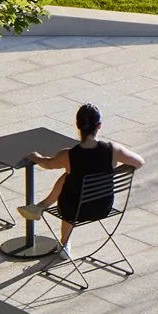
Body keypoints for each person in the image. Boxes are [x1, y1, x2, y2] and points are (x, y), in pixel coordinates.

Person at [30, 103, 142, 253]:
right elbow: (139, 162)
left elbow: (47, 164)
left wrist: (36, 157)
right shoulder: (113, 150)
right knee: (69, 176)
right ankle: (42, 206)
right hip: (102, 207)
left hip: (73, 211)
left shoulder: (68, 155)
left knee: (69, 179)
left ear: (78, 126)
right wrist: (110, 173)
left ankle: (64, 243)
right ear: (99, 126)